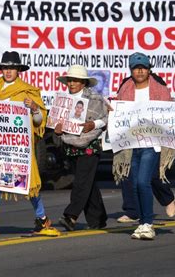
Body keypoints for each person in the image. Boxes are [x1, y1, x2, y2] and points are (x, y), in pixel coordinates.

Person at [0, 51, 51, 237]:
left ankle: (42, 218)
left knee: (29, 184)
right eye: (5, 67)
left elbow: (40, 121)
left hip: (19, 146)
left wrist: (34, 108)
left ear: (18, 70)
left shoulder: (28, 91)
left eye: (12, 68)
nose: (8, 71)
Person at [112, 52, 175, 240]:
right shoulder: (125, 88)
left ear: (149, 69)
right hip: (131, 145)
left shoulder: (160, 89)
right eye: (135, 67)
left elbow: (170, 111)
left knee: (143, 182)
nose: (139, 71)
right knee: (133, 184)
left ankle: (148, 223)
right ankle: (142, 223)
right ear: (131, 70)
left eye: (143, 67)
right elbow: (119, 111)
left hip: (152, 144)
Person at [53, 65, 109, 231]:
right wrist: (57, 129)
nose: (71, 83)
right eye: (70, 80)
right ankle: (98, 219)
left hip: (89, 144)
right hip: (71, 144)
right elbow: (56, 121)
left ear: (83, 82)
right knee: (88, 183)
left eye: (75, 80)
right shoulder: (62, 100)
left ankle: (71, 216)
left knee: (81, 181)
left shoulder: (95, 98)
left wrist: (93, 124)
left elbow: (104, 118)